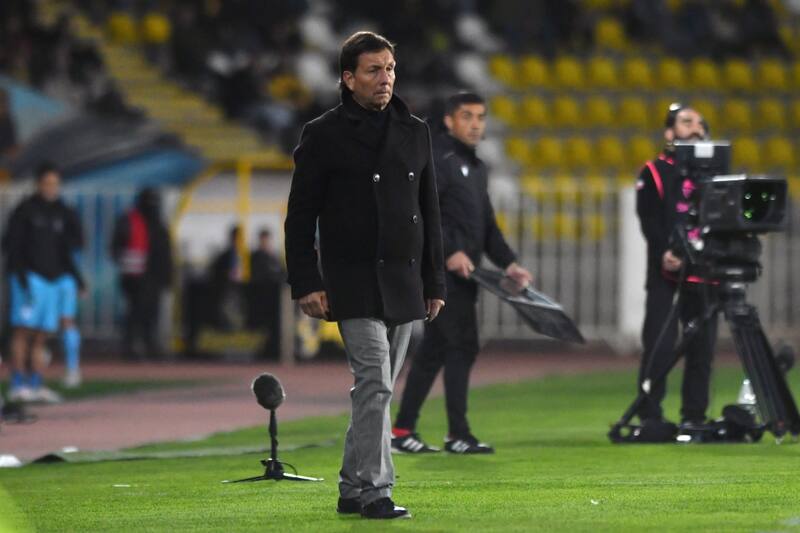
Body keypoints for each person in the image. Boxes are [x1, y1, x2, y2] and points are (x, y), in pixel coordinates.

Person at [284, 31, 446, 520]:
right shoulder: (324, 133)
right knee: (375, 381)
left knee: (375, 389)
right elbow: (300, 215)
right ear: (347, 78)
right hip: (350, 279)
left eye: (391, 68)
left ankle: (352, 487)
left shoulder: (415, 131)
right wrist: (306, 281)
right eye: (374, 71)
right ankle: (377, 490)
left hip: (404, 279)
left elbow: (430, 212)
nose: (386, 78)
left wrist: (434, 283)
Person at [392, 92, 533, 455]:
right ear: (450, 121)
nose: (475, 124)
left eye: (480, 117)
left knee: (435, 351)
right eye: (467, 116)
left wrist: (509, 263)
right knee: (461, 344)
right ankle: (457, 434)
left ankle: (402, 429)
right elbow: (424, 212)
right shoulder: (438, 159)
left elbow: (486, 225)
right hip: (440, 274)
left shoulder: (476, 166)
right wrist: (449, 252)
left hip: (464, 277)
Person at [634, 103, 716, 436]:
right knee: (659, 342)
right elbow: (649, 219)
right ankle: (650, 414)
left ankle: (694, 415)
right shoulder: (653, 171)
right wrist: (664, 252)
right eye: (686, 122)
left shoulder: (715, 175)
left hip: (705, 271)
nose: (696, 127)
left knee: (703, 346)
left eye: (699, 122)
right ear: (669, 133)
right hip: (665, 273)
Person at [3, 163, 84, 403]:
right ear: (39, 184)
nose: (52, 188)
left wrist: (77, 279)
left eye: (55, 184)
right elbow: (11, 245)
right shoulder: (25, 210)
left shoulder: (62, 212)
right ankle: (17, 382)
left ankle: (36, 383)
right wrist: (19, 276)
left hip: (53, 280)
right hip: (30, 278)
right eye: (47, 183)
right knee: (22, 331)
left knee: (41, 335)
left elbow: (68, 250)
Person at [111, 187, 173, 360]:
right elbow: (117, 247)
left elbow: (165, 252)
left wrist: (167, 277)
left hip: (154, 277)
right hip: (135, 277)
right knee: (135, 313)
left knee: (151, 314)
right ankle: (130, 347)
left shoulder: (159, 223)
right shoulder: (129, 220)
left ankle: (150, 346)